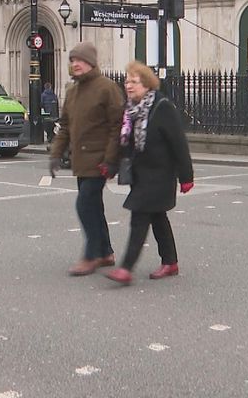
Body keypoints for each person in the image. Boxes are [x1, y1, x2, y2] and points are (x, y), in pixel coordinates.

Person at [106, 62, 194, 286]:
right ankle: (170, 262)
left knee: (140, 217)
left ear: (146, 85)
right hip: (141, 174)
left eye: (134, 82)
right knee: (157, 217)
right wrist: (112, 166)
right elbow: (125, 144)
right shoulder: (131, 110)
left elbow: (179, 143)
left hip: (160, 175)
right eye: (127, 81)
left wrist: (186, 177)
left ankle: (125, 268)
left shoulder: (162, 107)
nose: (128, 85)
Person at [50, 41, 124, 276]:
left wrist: (111, 160)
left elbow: (117, 126)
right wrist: (56, 154)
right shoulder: (72, 91)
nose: (75, 64)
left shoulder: (107, 88)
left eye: (79, 60)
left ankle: (91, 255)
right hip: (81, 161)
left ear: (91, 63)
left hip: (100, 160)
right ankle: (105, 252)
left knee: (84, 204)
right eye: (72, 60)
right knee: (94, 206)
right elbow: (64, 127)